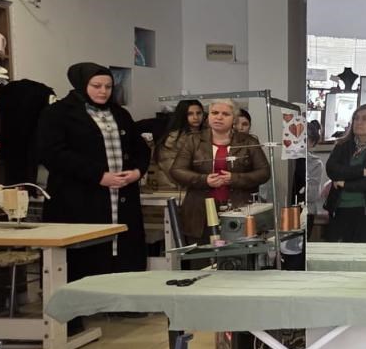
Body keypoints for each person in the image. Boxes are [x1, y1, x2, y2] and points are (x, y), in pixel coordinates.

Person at [37, 63, 149, 287]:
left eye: (108, 86)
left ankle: (123, 297)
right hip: (80, 197)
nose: (103, 91)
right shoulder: (59, 113)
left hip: (121, 196)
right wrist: (98, 175)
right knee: (85, 255)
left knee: (124, 252)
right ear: (81, 85)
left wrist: (136, 172)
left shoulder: (119, 113)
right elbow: (53, 153)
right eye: (96, 86)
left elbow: (141, 148)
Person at [169, 99, 271, 244]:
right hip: (199, 214)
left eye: (225, 114)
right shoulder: (193, 141)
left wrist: (235, 178)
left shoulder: (249, 142)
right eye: (214, 113)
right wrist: (204, 180)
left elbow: (264, 172)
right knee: (201, 256)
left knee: (238, 254)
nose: (219, 117)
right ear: (208, 116)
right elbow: (177, 171)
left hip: (239, 211)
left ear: (234, 119)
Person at [323, 105, 366, 243]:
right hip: (339, 208)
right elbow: (332, 170)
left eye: (365, 119)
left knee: (362, 252)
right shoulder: (342, 145)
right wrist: (361, 171)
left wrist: (345, 184)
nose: (359, 122)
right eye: (356, 118)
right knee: (337, 252)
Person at [147, 99, 204, 191]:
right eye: (190, 114)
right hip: (173, 188)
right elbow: (171, 169)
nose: (195, 117)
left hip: (198, 185)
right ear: (182, 116)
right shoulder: (173, 139)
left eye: (199, 113)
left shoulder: (206, 134)